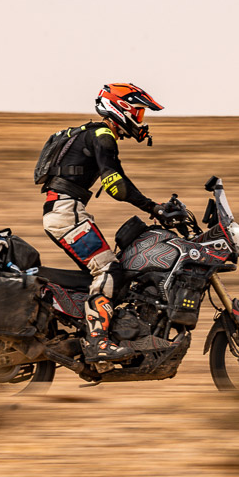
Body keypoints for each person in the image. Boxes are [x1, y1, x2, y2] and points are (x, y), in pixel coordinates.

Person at [40, 83, 164, 361]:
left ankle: (103, 327)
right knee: (109, 270)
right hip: (66, 212)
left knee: (107, 269)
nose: (140, 120)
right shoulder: (103, 135)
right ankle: (98, 343)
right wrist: (154, 207)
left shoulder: (91, 132)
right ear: (122, 109)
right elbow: (115, 185)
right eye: (139, 113)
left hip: (64, 210)